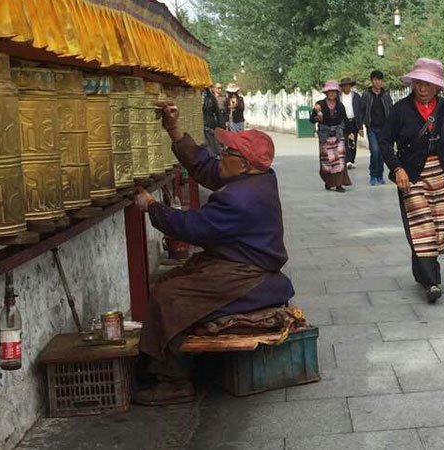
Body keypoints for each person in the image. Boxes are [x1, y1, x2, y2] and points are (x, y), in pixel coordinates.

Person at [132, 101, 294, 405]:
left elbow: (194, 228)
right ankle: (164, 363)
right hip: (235, 263)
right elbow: (207, 168)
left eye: (229, 152)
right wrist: (174, 130)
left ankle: (174, 380)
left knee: (170, 295)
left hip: (244, 273)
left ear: (244, 164)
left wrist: (152, 207)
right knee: (173, 280)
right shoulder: (257, 176)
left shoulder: (242, 198)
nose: (222, 155)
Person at [379, 58, 444, 302]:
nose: (423, 88)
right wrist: (397, 169)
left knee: (439, 228)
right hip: (411, 176)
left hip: (440, 173)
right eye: (419, 82)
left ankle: (422, 273)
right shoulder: (400, 110)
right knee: (422, 227)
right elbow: (385, 141)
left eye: (428, 83)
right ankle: (432, 283)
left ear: (437, 86)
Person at [311, 80, 351, 192]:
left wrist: (350, 132)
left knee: (340, 159)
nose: (332, 94)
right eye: (330, 91)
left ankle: (339, 184)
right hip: (325, 135)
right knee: (327, 160)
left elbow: (345, 119)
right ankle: (329, 181)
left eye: (334, 91)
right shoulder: (319, 105)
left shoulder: (340, 105)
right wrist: (317, 118)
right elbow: (311, 119)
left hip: (338, 135)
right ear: (326, 93)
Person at [360, 70, 394, 186]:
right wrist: (360, 126)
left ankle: (380, 175)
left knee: (382, 153)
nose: (377, 82)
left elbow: (391, 110)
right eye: (375, 80)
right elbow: (361, 111)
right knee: (375, 151)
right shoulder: (366, 95)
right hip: (372, 128)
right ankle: (373, 175)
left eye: (379, 80)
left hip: (384, 128)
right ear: (372, 81)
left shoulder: (386, 95)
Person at [339, 77, 363, 169]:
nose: (346, 87)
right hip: (343, 122)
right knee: (344, 141)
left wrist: (360, 127)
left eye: (348, 85)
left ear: (350, 86)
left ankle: (352, 160)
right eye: (344, 85)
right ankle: (347, 160)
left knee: (352, 141)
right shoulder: (339, 97)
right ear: (342, 87)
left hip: (354, 122)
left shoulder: (356, 96)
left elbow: (360, 112)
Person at [201, 83, 226, 156]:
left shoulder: (210, 97)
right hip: (197, 125)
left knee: (211, 149)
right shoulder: (193, 96)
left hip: (209, 125)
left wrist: (222, 126)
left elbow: (218, 113)